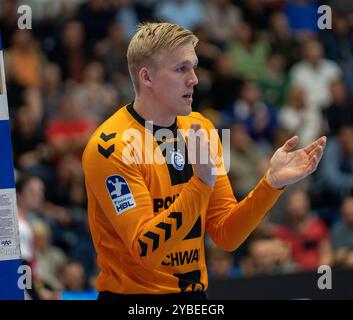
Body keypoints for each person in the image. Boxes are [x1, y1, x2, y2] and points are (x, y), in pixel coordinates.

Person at [82, 22, 326, 300]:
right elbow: (145, 250)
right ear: (146, 77)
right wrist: (200, 182)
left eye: (194, 67)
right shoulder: (110, 146)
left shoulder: (201, 128)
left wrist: (271, 184)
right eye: (181, 69)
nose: (194, 79)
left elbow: (226, 234)